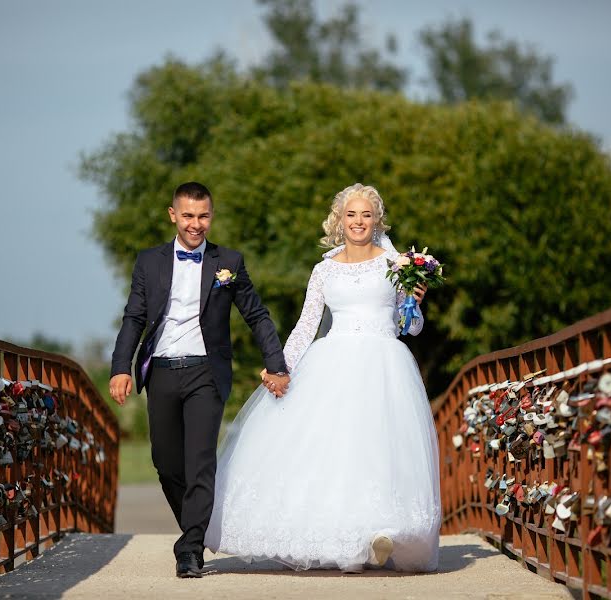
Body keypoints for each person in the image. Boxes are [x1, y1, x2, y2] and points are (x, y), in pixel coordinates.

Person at [205, 183, 441, 573]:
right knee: (335, 452)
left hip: (384, 364)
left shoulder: (396, 265)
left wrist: (414, 302)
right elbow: (305, 326)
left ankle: (380, 532)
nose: (358, 221)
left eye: (366, 215)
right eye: (351, 215)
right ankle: (346, 536)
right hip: (331, 363)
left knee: (379, 449)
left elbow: (408, 327)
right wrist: (282, 368)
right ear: (339, 221)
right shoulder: (324, 269)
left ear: (377, 220)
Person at [109, 182, 291, 578]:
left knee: (200, 462)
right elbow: (134, 319)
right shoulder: (149, 262)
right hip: (161, 370)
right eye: (188, 215)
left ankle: (190, 548)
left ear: (211, 216)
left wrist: (276, 364)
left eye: (203, 216)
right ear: (173, 215)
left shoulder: (230, 262)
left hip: (206, 373)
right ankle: (195, 527)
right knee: (166, 462)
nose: (196, 224)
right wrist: (121, 366)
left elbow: (256, 316)